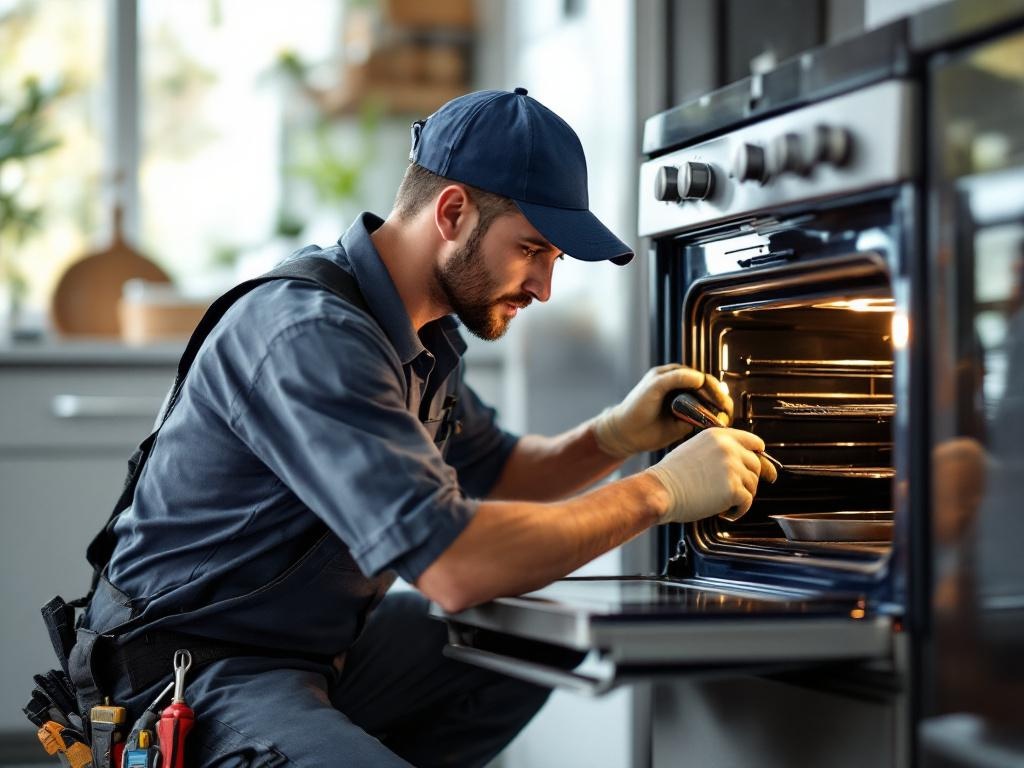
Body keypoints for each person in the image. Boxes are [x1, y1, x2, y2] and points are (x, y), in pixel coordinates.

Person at [71, 87, 774, 767]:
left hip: (314, 656)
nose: (544, 286)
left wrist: (615, 437)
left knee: (532, 641)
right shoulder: (310, 336)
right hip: (193, 677)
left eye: (554, 260)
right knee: (483, 595)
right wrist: (659, 493)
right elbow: (457, 566)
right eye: (533, 249)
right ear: (453, 212)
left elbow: (500, 473)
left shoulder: (420, 335)